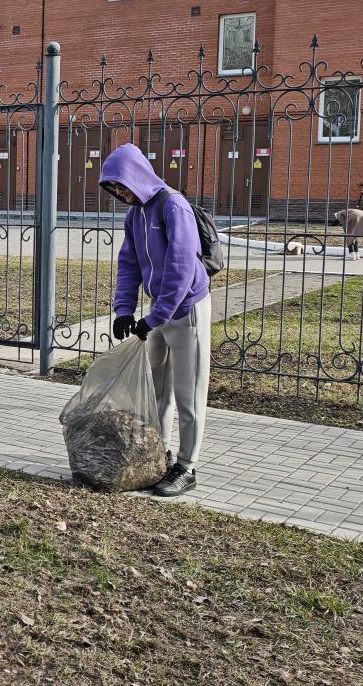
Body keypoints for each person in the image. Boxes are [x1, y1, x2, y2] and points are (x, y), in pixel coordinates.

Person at [98, 143, 211, 497]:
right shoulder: (135, 215)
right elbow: (128, 265)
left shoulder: (172, 205)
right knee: (157, 391)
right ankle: (158, 456)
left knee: (188, 394)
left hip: (186, 309)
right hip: (157, 311)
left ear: (137, 177)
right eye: (113, 189)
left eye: (122, 185)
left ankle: (186, 466)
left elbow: (181, 269)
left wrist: (156, 316)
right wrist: (124, 311)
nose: (120, 193)